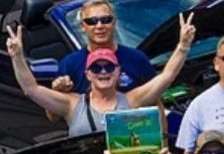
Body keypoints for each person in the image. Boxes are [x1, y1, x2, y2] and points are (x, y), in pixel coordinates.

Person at [6, 20, 192, 138]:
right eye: (96, 67)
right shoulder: (72, 104)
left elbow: (167, 76)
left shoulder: (132, 99)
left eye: (109, 67)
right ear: (87, 74)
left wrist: (183, 46)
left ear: (119, 72)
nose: (103, 71)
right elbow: (31, 89)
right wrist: (17, 56)